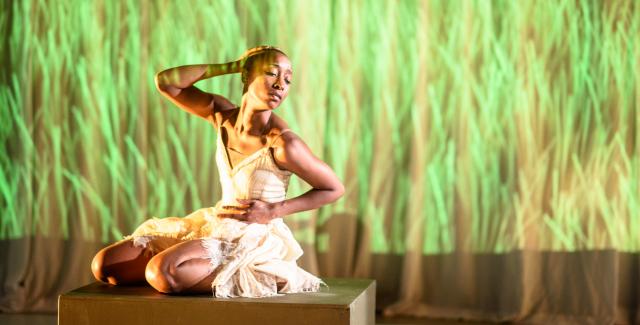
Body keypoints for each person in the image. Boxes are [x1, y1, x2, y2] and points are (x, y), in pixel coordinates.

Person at [90, 46, 345, 298]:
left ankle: (257, 271)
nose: (280, 84)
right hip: (216, 223)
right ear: (246, 75)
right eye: (271, 73)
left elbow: (334, 188)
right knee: (105, 266)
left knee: (164, 273)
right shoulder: (222, 115)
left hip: (252, 236)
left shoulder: (283, 143)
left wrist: (274, 210)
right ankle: (193, 266)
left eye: (288, 79)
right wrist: (231, 66)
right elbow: (166, 82)